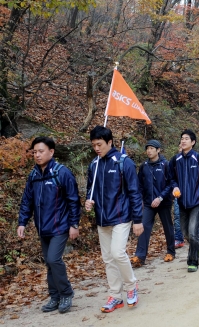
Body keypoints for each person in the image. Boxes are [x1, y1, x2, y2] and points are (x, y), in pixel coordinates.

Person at [18, 137, 81, 314]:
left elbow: (74, 201)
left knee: (53, 259)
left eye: (41, 151)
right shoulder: (34, 175)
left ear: (51, 152)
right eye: (34, 152)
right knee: (49, 262)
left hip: (60, 226)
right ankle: (55, 297)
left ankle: (66, 294)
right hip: (42, 227)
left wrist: (74, 224)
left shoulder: (62, 173)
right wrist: (22, 222)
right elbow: (27, 201)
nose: (37, 155)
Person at [85, 126, 144, 313]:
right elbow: (91, 190)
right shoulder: (93, 165)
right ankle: (115, 296)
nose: (96, 148)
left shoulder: (123, 162)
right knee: (108, 258)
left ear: (110, 142)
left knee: (118, 253)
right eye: (94, 145)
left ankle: (131, 286)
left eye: (99, 144)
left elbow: (134, 193)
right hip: (102, 218)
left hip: (121, 216)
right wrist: (89, 201)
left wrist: (138, 220)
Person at [170, 129, 199, 273]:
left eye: (186, 139)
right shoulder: (175, 160)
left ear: (193, 142)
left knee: (193, 233)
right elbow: (170, 178)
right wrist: (175, 186)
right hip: (182, 202)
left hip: (197, 201)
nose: (183, 141)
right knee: (186, 234)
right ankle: (198, 244)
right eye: (182, 138)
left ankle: (192, 261)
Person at [130, 140, 175, 268]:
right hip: (149, 203)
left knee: (168, 227)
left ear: (158, 150)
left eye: (151, 148)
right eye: (147, 148)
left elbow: (171, 183)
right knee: (144, 227)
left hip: (163, 202)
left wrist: (160, 197)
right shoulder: (144, 166)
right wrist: (141, 200)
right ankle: (140, 256)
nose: (149, 151)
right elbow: (139, 185)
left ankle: (171, 251)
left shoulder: (166, 164)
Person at [172, 144, 184, 248]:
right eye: (179, 146)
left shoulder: (194, 159)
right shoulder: (175, 162)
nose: (181, 148)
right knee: (177, 215)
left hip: (192, 194)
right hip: (178, 193)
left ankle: (195, 234)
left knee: (192, 215)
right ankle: (179, 238)